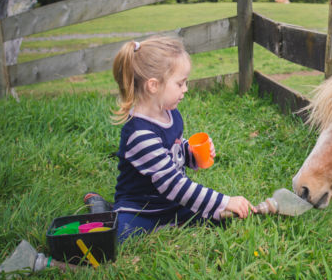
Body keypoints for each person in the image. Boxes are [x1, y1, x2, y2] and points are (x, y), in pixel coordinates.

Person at [109, 35, 255, 242]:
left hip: (173, 204)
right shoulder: (139, 134)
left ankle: (175, 220)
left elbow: (173, 149)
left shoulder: (170, 113)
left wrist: (191, 153)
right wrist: (223, 201)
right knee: (117, 238)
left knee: (220, 218)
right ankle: (102, 209)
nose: (185, 89)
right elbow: (173, 184)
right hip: (142, 209)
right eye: (180, 83)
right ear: (153, 86)